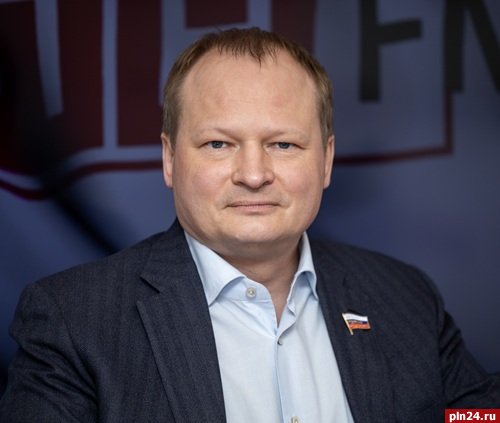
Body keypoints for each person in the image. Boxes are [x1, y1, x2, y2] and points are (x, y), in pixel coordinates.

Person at [0, 27, 499, 423]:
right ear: (170, 159)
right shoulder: (72, 319)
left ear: (326, 161)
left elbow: (475, 416)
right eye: (219, 144)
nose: (254, 174)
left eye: (284, 144)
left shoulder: (404, 295)